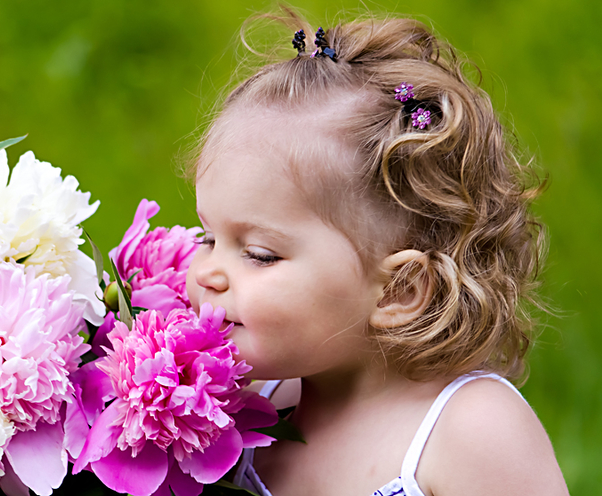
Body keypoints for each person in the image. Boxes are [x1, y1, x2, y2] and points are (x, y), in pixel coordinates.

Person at [184, 10, 570, 496]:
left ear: (398, 290)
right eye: (208, 239)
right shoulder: (246, 403)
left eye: (260, 255)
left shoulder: (470, 432)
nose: (208, 273)